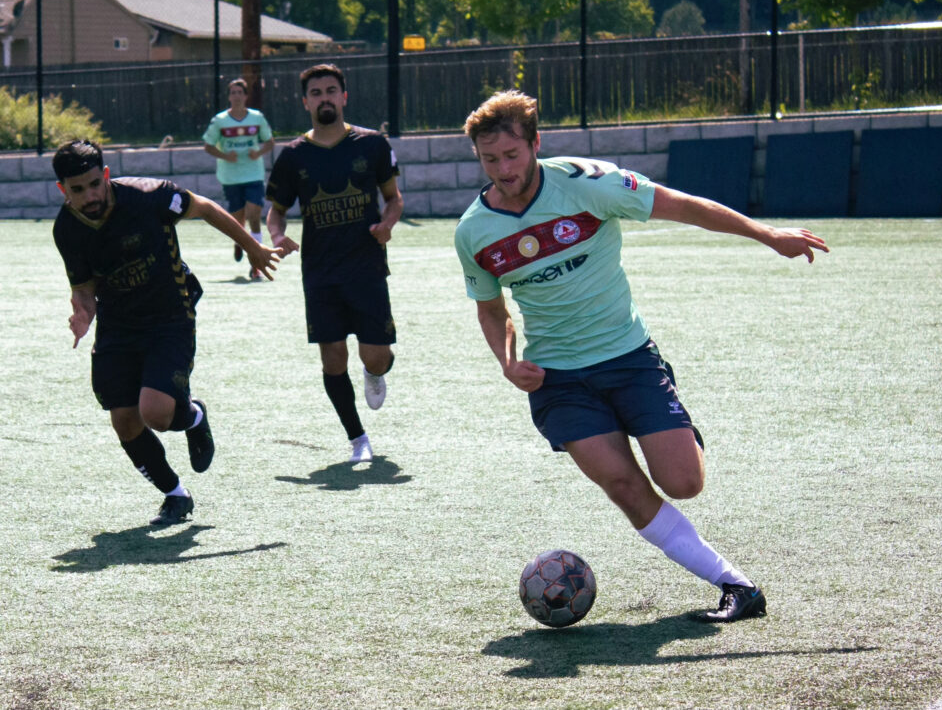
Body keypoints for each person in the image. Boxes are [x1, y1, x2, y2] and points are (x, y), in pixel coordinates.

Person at [454, 91, 829, 622]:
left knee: (683, 482)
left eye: (512, 155)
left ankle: (664, 426)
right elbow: (492, 311)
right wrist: (508, 361)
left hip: (628, 358)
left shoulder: (590, 185)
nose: (503, 169)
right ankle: (735, 585)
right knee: (625, 486)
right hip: (558, 382)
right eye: (490, 160)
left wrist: (767, 235)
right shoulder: (475, 230)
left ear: (535, 144)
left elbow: (683, 206)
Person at [52, 139, 281, 526]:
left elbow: (205, 207)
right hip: (118, 326)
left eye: (95, 184)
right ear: (63, 190)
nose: (89, 195)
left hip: (169, 316)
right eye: (78, 190)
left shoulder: (148, 196)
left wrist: (252, 246)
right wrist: (82, 312)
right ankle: (175, 494)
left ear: (105, 175)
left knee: (155, 413)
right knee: (125, 421)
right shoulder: (67, 230)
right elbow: (84, 286)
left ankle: (192, 418)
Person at [265, 63, 403, 464]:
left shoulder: (372, 144)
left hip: (366, 266)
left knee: (375, 356)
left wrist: (388, 224)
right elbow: (276, 212)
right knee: (332, 356)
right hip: (321, 272)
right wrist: (276, 236)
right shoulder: (293, 156)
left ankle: (375, 372)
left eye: (331, 91)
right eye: (316, 92)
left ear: (344, 96)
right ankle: (357, 438)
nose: (324, 98)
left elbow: (394, 198)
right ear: (305, 101)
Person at [203, 77, 275, 279]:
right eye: (232, 92)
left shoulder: (257, 118)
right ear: (229, 96)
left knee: (254, 214)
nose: (236, 96)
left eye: (239, 92)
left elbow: (269, 142)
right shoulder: (220, 121)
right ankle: (239, 240)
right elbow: (208, 146)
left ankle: (256, 265)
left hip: (253, 174)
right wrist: (225, 156)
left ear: (245, 96)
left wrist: (258, 153)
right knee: (237, 220)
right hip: (230, 177)